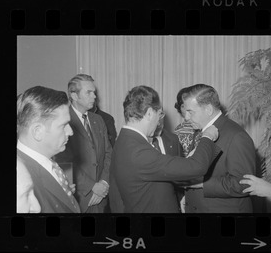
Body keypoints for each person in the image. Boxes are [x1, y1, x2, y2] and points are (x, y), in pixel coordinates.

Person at [109, 85, 221, 213]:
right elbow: (197, 167)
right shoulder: (138, 151)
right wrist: (207, 136)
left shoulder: (126, 141)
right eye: (159, 114)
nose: (159, 122)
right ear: (150, 113)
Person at [182, 83, 256, 213]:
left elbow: (244, 183)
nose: (186, 118)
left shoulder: (237, 136)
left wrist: (201, 184)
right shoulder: (200, 131)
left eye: (190, 112)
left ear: (208, 109)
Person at [17, 86, 80, 213]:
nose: (71, 131)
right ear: (38, 132)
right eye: (63, 125)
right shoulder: (21, 180)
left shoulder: (45, 161)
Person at [55, 74, 112, 213]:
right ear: (74, 96)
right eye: (89, 92)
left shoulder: (98, 120)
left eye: (94, 92)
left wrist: (104, 183)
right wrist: (92, 187)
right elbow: (64, 161)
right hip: (80, 198)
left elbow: (109, 153)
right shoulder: (63, 120)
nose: (94, 96)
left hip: (101, 197)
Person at [174, 87, 202, 157]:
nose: (188, 109)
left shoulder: (205, 125)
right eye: (184, 106)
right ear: (180, 107)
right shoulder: (178, 130)